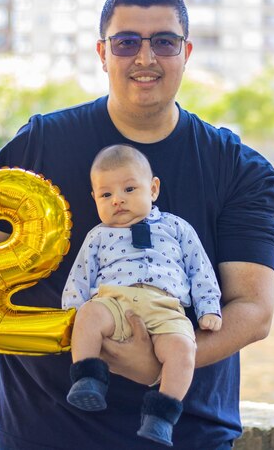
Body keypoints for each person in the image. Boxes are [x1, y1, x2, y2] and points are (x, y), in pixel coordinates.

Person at [0, 0, 274, 450]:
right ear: (102, 52)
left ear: (187, 52)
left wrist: (162, 364)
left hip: (185, 436)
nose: (145, 57)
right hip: (41, 433)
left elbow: (253, 309)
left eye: (164, 41)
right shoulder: (40, 142)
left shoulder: (238, 168)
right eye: (125, 42)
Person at [62, 144, 222, 446]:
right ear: (94, 199)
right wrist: (72, 312)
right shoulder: (98, 235)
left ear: (153, 189)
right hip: (114, 302)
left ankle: (162, 416)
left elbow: (200, 269)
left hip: (166, 308)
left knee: (183, 350)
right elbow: (80, 276)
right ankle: (87, 378)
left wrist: (209, 307)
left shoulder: (177, 228)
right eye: (106, 195)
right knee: (88, 315)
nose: (118, 200)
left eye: (129, 188)